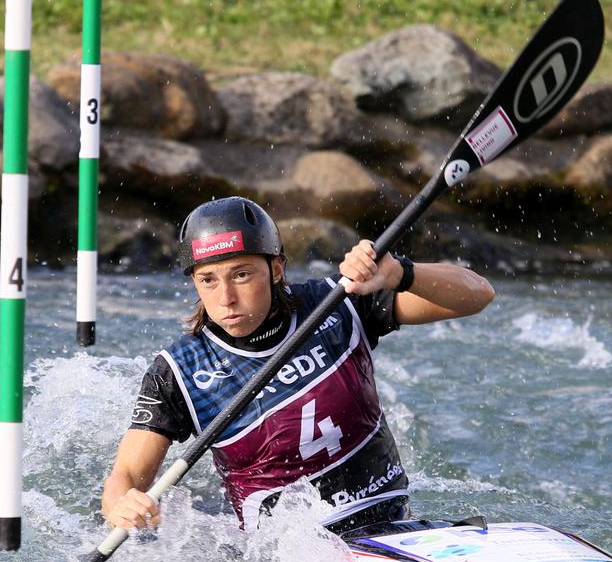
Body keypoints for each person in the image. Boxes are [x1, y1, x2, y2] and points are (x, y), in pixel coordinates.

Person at [101, 196, 494, 535]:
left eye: (241, 274)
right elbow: (126, 479)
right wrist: (123, 505)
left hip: (389, 527)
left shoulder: (336, 304)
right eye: (207, 280)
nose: (225, 298)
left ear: (276, 268)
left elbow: (477, 296)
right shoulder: (179, 371)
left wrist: (399, 273)